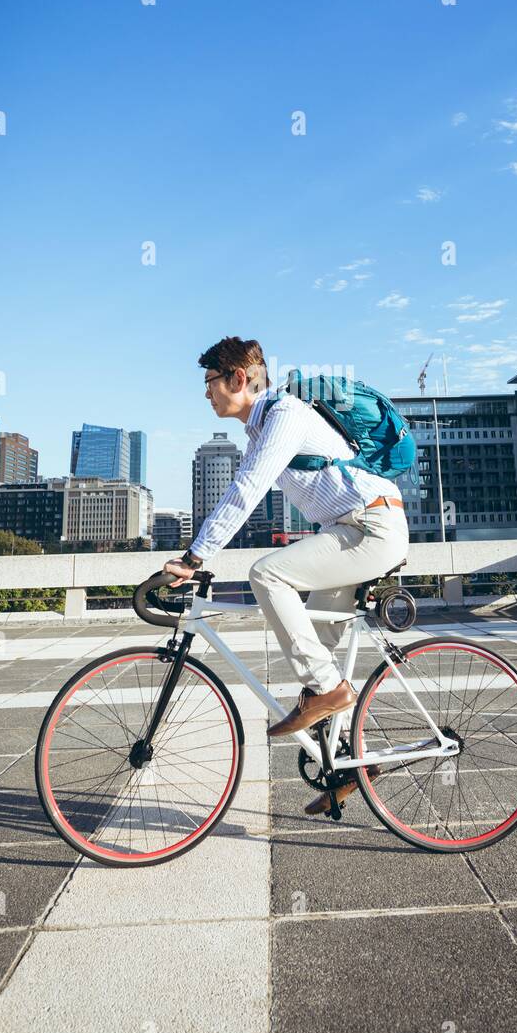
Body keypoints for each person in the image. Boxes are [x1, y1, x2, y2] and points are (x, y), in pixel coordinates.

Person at [163, 335, 409, 811]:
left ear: (238, 378)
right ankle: (350, 766)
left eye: (210, 381)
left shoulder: (284, 414)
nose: (206, 392)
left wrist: (194, 558)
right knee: (318, 653)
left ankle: (330, 692)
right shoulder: (261, 429)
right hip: (349, 530)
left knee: (267, 575)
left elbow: (247, 487)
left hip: (371, 527)